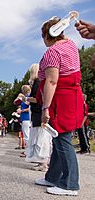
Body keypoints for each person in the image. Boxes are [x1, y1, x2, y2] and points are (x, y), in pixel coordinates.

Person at [34, 16, 84, 196]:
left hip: (60, 100)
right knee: (58, 138)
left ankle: (70, 184)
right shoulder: (70, 45)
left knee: (62, 140)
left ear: (46, 36)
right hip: (72, 97)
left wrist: (45, 108)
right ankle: (53, 177)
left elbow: (52, 81)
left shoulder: (53, 52)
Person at [25, 63, 52, 172]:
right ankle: (42, 162)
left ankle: (43, 163)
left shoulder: (37, 82)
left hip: (38, 113)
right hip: (39, 112)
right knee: (40, 138)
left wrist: (26, 98)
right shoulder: (40, 82)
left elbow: (37, 99)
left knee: (41, 138)